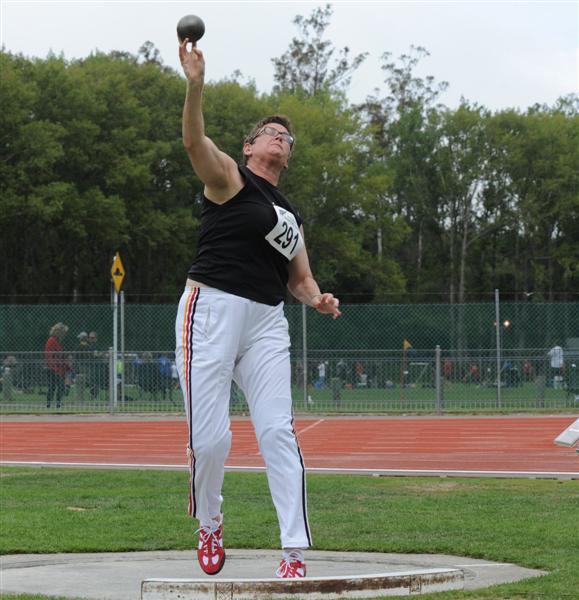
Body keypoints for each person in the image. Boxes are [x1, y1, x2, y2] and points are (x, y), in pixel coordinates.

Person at [176, 36, 341, 579]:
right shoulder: (230, 178)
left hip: (268, 319)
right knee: (212, 437)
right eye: (272, 132)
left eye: (287, 138)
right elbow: (195, 142)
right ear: (249, 147)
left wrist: (316, 296)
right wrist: (195, 86)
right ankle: (210, 521)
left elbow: (300, 276)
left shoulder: (289, 216)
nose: (281, 139)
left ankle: (293, 552)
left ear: (288, 157)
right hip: (213, 308)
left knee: (276, 431)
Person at [44, 323, 71, 409]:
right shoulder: (51, 340)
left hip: (57, 368)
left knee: (55, 386)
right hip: (54, 368)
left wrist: (66, 365)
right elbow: (49, 356)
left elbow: (59, 355)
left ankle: (55, 404)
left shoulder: (55, 341)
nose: (64, 335)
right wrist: (54, 367)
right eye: (63, 332)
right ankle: (52, 404)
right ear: (59, 332)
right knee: (56, 386)